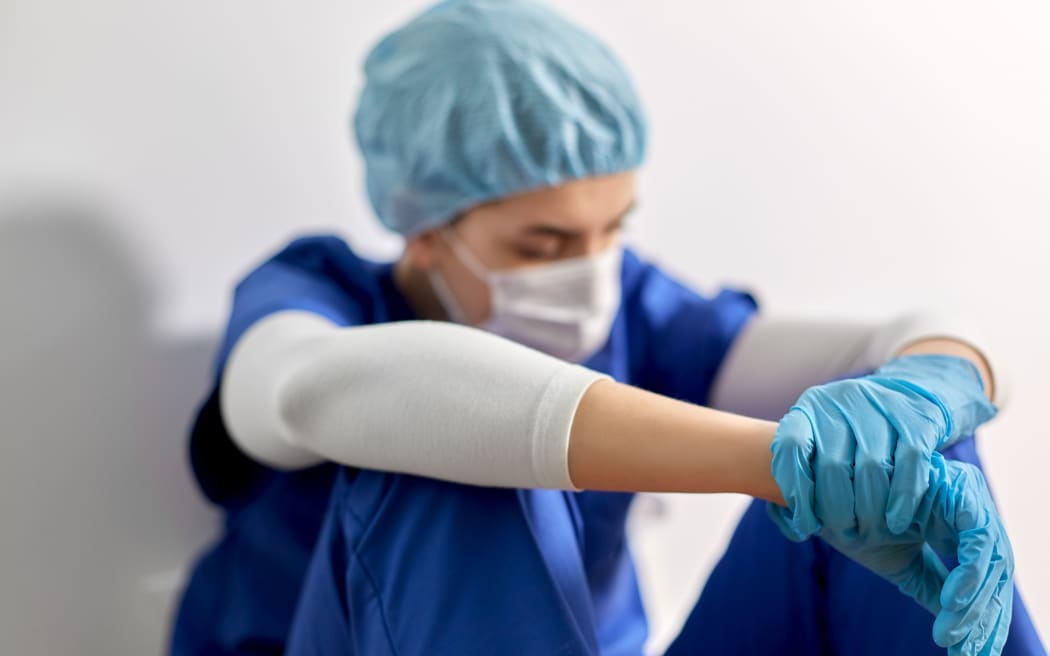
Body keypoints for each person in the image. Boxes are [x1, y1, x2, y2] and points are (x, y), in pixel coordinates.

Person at [170, 1, 1043, 654]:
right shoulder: (316, 294)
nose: (593, 269)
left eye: (614, 227)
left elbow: (911, 339)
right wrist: (785, 468)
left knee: (904, 444)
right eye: (544, 241)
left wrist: (927, 395)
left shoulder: (633, 306)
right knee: (451, 453)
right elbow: (303, 393)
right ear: (424, 226)